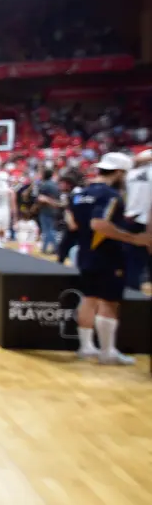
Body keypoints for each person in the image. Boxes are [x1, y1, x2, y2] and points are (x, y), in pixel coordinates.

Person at [71, 152, 151, 365]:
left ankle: (86, 347)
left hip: (85, 252)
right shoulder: (110, 195)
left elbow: (72, 223)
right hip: (107, 254)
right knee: (109, 302)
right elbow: (98, 223)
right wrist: (133, 238)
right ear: (118, 173)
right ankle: (108, 352)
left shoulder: (79, 194)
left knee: (88, 298)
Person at [123, 149, 150, 291]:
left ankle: (132, 296)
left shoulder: (130, 174)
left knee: (132, 263)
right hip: (147, 221)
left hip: (131, 219)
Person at [36, 169, 61, 254]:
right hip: (54, 210)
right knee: (50, 230)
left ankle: (55, 248)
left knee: (48, 230)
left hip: (46, 210)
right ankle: (47, 248)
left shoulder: (45, 185)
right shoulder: (55, 185)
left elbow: (40, 198)